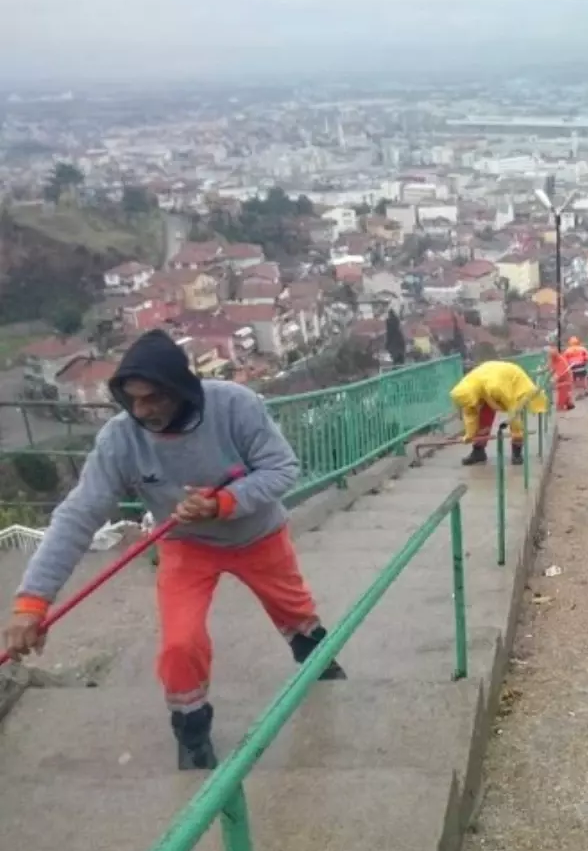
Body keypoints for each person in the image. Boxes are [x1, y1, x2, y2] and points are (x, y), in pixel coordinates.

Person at [3, 329, 346, 772]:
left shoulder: (235, 404)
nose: (142, 411)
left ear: (181, 389)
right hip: (186, 545)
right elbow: (79, 514)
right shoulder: (120, 438)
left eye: (154, 399)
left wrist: (222, 502)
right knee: (180, 643)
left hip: (257, 536)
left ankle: (317, 660)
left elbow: (282, 469)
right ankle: (192, 730)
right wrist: (32, 601)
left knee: (296, 614)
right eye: (132, 400)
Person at [452, 359, 549, 467]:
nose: (474, 405)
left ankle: (517, 452)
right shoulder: (465, 391)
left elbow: (512, 406)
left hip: (512, 383)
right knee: (483, 418)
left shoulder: (495, 387)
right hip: (488, 385)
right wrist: (469, 435)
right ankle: (478, 451)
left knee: (515, 420)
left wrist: (514, 423)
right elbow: (470, 414)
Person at [547, 347, 575, 412]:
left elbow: (560, 373)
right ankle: (569, 403)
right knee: (563, 393)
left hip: (565, 380)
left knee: (562, 394)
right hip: (561, 380)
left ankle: (561, 407)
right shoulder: (553, 360)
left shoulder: (560, 361)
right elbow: (549, 366)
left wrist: (552, 380)